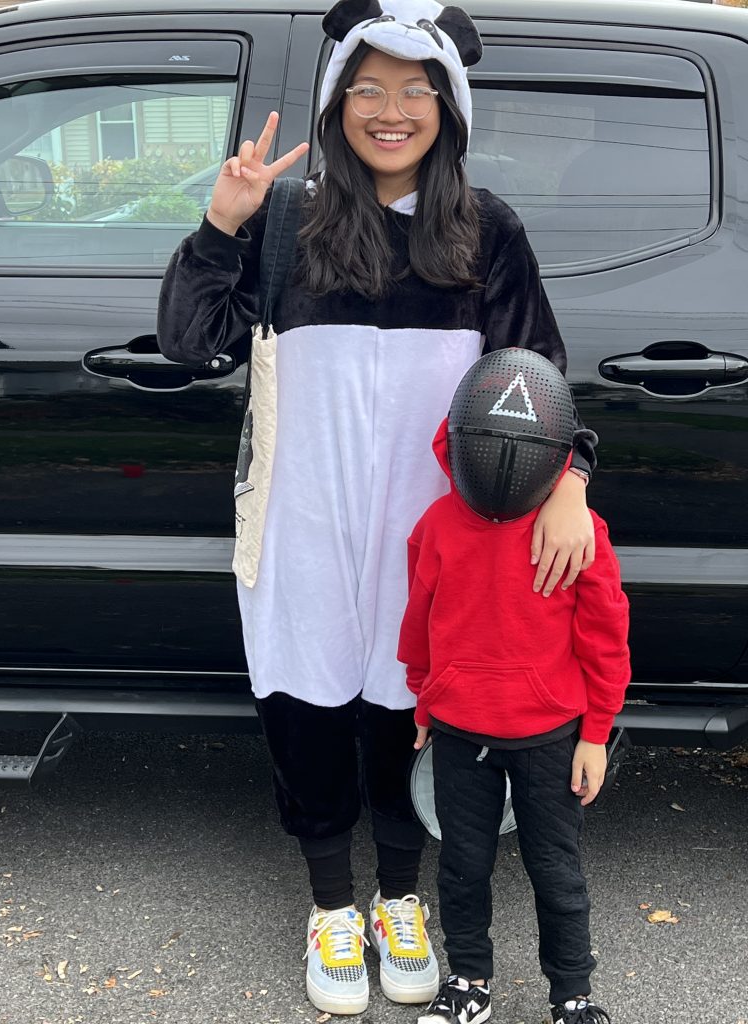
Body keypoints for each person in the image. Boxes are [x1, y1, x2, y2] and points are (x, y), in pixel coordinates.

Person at [157, 0, 599, 1015]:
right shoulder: (287, 225)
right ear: (336, 101)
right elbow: (189, 344)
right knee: (306, 709)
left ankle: (401, 896)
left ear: (449, 107)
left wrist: (571, 480)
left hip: (439, 536)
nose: (390, 111)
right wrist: (222, 223)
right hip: (304, 525)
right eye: (368, 88)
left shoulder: (485, 231)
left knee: (413, 713)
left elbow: (536, 376)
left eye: (414, 91)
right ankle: (330, 905)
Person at [398, 347, 631, 1024]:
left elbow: (605, 639)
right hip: (458, 731)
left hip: (551, 738)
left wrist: (595, 734)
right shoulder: (436, 526)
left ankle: (573, 994)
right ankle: (468, 982)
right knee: (461, 869)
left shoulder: (578, 533)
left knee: (556, 872)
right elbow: (420, 622)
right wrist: (423, 698)